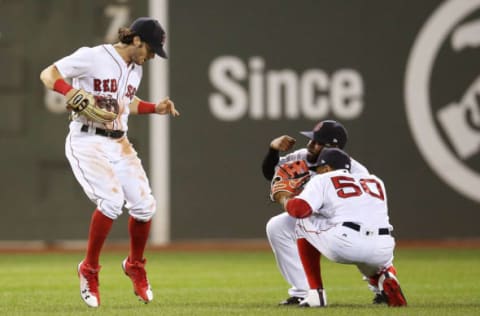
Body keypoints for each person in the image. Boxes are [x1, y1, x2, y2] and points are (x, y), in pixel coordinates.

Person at [39, 17, 179, 308]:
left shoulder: (135, 70)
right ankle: (88, 269)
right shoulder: (93, 56)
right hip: (87, 140)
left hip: (119, 141)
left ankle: (135, 266)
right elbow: (48, 74)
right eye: (151, 49)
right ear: (137, 40)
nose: (152, 56)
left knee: (145, 206)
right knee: (111, 202)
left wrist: (156, 108)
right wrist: (70, 91)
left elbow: (125, 104)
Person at [272, 148, 407, 307]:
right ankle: (386, 276)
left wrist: (283, 197)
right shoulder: (375, 181)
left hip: (345, 244)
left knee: (301, 222)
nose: (317, 172)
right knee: (370, 252)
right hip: (384, 247)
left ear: (327, 168)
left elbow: (299, 210)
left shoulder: (323, 179)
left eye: (319, 169)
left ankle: (316, 294)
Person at [262, 120, 375, 305]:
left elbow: (367, 206)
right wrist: (273, 150)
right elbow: (270, 173)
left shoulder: (357, 171)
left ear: (332, 147)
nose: (310, 145)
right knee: (277, 226)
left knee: (363, 241)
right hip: (314, 215)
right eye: (311, 140)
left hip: (344, 219)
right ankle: (303, 292)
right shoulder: (303, 156)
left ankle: (381, 286)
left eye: (317, 142)